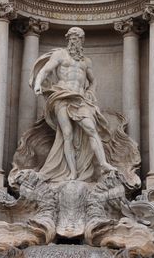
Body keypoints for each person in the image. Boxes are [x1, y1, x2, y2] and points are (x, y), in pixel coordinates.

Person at [30, 27, 117, 181]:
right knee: (67, 134)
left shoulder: (86, 61)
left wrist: (91, 92)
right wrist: (38, 83)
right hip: (61, 96)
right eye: (71, 38)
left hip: (80, 99)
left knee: (91, 128)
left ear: (82, 41)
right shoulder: (60, 55)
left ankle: (103, 163)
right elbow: (45, 70)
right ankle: (72, 172)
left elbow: (93, 81)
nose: (73, 41)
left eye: (76, 38)